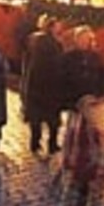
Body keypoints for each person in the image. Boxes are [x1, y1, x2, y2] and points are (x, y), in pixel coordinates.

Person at [21, 19, 67, 154]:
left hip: (36, 85)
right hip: (49, 86)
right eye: (58, 25)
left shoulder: (34, 40)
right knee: (52, 119)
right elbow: (57, 65)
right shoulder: (52, 44)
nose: (61, 27)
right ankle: (51, 144)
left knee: (37, 118)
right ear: (51, 27)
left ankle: (35, 142)